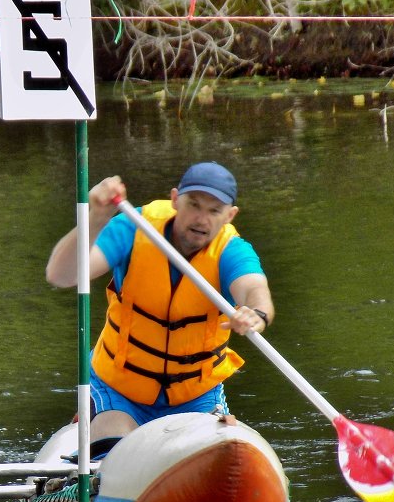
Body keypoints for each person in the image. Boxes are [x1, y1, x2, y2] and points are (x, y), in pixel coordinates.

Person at [45, 162, 274, 444]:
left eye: (214, 210)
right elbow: (61, 275)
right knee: (112, 446)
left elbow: (254, 287)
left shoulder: (232, 250)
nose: (201, 219)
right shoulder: (133, 228)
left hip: (195, 395)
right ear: (176, 199)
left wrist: (255, 314)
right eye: (194, 205)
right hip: (120, 388)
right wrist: (97, 218)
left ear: (230, 215)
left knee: (219, 454)